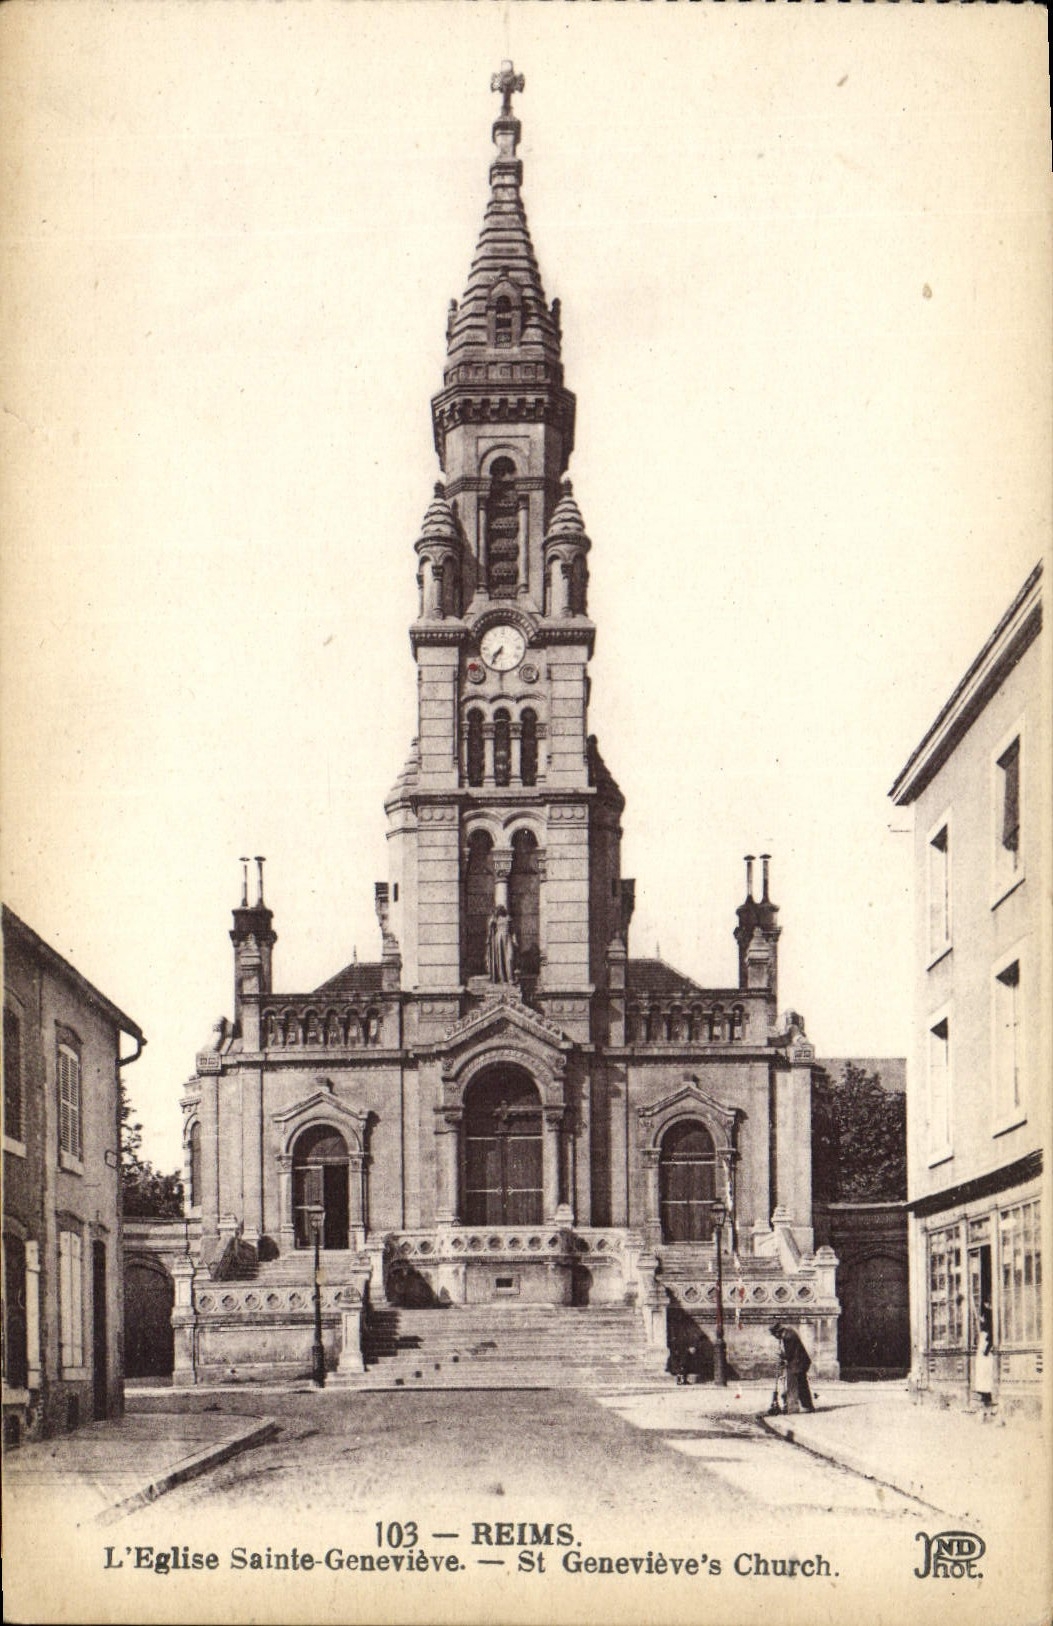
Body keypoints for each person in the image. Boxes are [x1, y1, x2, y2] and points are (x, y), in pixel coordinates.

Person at [769, 1321, 815, 1413]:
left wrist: (782, 1357)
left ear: (778, 1332)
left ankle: (793, 1408)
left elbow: (789, 1354)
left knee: (792, 1385)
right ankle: (808, 1406)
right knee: (802, 1385)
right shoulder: (789, 1332)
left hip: (797, 1364)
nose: (776, 1338)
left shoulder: (788, 1337)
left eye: (775, 1336)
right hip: (801, 1362)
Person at [973, 1299, 995, 1409]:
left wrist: (986, 1350)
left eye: (983, 1318)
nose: (981, 1319)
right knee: (981, 1371)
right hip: (982, 1352)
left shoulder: (989, 1327)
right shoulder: (983, 1329)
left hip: (986, 1353)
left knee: (986, 1372)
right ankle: (983, 1393)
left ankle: (987, 1394)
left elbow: (991, 1339)